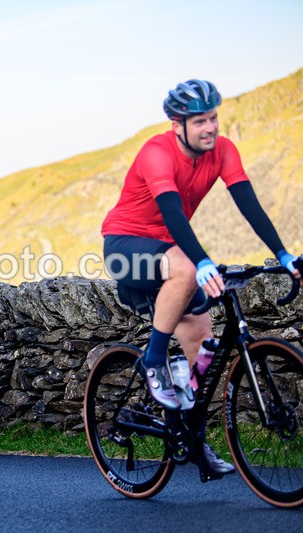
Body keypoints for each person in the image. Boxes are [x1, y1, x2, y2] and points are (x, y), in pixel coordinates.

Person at [101, 79, 301, 477]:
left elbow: (249, 205)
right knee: (189, 268)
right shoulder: (156, 153)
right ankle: (154, 359)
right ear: (178, 125)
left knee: (202, 352)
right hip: (126, 251)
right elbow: (172, 213)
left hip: (172, 255)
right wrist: (202, 262)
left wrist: (283, 254)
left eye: (213, 118)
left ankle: (192, 441)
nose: (210, 127)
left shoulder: (223, 151)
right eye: (200, 121)